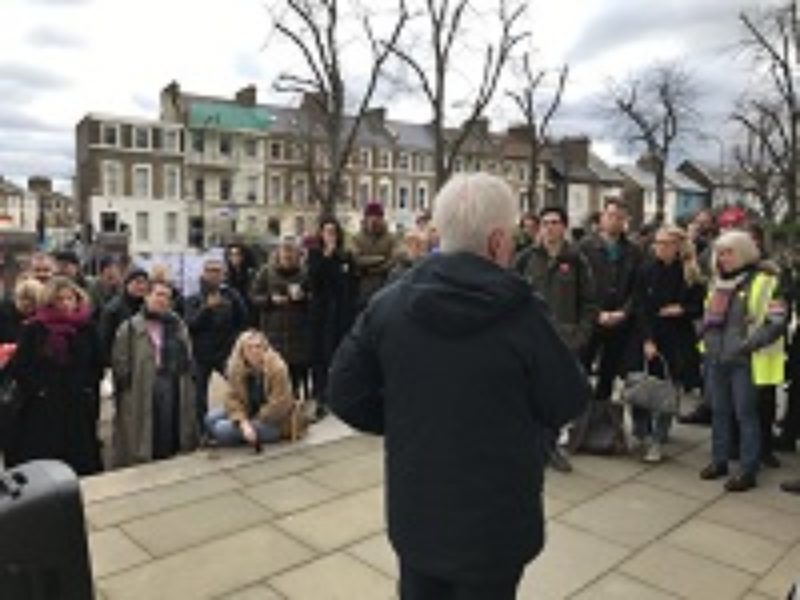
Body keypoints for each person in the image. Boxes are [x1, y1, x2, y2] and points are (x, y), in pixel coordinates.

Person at [328, 173, 590, 600]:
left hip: (420, 512)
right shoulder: (524, 314)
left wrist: (404, 420)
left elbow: (344, 393)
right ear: (497, 241)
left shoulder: (388, 305)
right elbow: (568, 398)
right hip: (497, 519)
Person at [699, 230, 787, 492]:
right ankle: (719, 460)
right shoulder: (718, 282)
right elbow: (707, 316)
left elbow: (776, 321)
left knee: (746, 415)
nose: (723, 258)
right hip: (716, 356)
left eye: (729, 253)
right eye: (720, 253)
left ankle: (748, 468)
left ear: (744, 252)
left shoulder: (766, 281)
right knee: (719, 412)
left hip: (745, 360)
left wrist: (747, 346)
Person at [514, 205, 597, 472]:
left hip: (563, 340)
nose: (550, 227)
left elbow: (589, 302)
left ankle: (552, 447)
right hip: (529, 337)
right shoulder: (527, 258)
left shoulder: (576, 260)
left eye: (555, 222)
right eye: (545, 222)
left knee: (553, 396)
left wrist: (581, 333)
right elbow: (511, 293)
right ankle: (529, 445)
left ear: (564, 226)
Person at [4, 277, 102, 475]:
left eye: (70, 298)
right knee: (45, 459)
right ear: (50, 301)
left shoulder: (86, 328)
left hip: (77, 404)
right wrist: (39, 389)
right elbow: (21, 366)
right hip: (43, 407)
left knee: (80, 461)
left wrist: (87, 386)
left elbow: (97, 362)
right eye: (60, 299)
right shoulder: (34, 329)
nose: (66, 304)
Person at [632, 226, 705, 463]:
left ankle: (659, 437)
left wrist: (682, 309)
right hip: (650, 333)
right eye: (657, 243)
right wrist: (647, 338)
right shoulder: (646, 270)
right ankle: (642, 430)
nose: (659, 247)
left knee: (667, 389)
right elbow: (640, 306)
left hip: (677, 337)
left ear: (677, 246)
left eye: (665, 243)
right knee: (642, 385)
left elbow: (700, 306)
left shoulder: (690, 272)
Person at [111, 280, 197, 467]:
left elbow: (187, 353)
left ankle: (168, 455)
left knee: (170, 421)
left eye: (167, 296)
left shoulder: (177, 324)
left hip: (172, 379)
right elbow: (120, 360)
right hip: (143, 383)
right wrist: (127, 386)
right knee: (145, 425)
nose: (163, 300)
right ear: (147, 296)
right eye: (158, 294)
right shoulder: (131, 326)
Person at [579, 199, 643, 403]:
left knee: (609, 373)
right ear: (602, 217)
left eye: (620, 217)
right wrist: (596, 313)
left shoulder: (634, 251)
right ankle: (580, 418)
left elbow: (638, 288)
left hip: (620, 321)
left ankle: (601, 419)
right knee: (581, 369)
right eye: (610, 215)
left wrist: (624, 312)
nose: (614, 221)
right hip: (591, 319)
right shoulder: (584, 248)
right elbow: (577, 287)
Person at [205, 330, 301, 448]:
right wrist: (243, 422)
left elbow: (279, 405)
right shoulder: (237, 369)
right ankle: (242, 437)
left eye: (258, 347)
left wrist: (252, 420)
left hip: (273, 421)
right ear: (242, 352)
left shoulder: (277, 368)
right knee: (210, 418)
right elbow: (231, 398)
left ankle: (241, 438)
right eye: (249, 348)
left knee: (221, 429)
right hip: (248, 411)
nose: (255, 351)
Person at [184, 258, 248, 430]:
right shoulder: (193, 298)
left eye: (217, 271)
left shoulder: (231, 295)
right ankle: (201, 430)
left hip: (226, 352)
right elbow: (190, 324)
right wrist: (206, 309)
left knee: (239, 386)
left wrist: (237, 343)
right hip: (201, 354)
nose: (213, 275)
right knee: (198, 396)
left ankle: (241, 420)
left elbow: (243, 320)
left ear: (223, 275)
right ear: (203, 274)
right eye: (210, 271)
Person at [250, 238, 311, 400]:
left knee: (294, 385)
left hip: (298, 336)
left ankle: (293, 418)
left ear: (298, 255)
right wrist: (270, 300)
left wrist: (304, 298)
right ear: (278, 253)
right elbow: (254, 297)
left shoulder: (305, 274)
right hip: (272, 335)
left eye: (292, 252)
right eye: (285, 252)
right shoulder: (266, 272)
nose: (288, 256)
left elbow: (316, 300)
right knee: (273, 384)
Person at [308, 217, 357, 419]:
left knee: (338, 353)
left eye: (333, 231)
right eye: (326, 231)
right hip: (321, 311)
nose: (330, 235)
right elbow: (313, 278)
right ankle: (320, 395)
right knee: (319, 354)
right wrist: (326, 256)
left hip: (341, 311)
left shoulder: (345, 256)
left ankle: (338, 394)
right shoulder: (315, 254)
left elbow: (350, 282)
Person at [99, 268, 149, 366]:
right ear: (127, 284)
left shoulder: (147, 307)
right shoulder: (113, 309)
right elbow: (105, 340)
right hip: (121, 362)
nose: (141, 286)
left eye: (144, 283)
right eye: (137, 282)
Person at [351, 202, 396, 310]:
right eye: (370, 217)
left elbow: (394, 259)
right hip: (363, 289)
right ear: (366, 219)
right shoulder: (357, 238)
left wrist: (370, 269)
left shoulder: (390, 238)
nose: (373, 220)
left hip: (385, 286)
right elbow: (356, 259)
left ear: (382, 219)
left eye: (377, 217)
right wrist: (381, 258)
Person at [225, 244, 257, 325]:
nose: (234, 258)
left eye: (237, 254)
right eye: (231, 255)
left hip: (249, 312)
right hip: (231, 314)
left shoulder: (251, 274)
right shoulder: (226, 275)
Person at [87, 256, 122, 320]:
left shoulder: (123, 286)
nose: (112, 271)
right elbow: (91, 309)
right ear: (101, 273)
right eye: (109, 268)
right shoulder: (95, 287)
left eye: (115, 268)